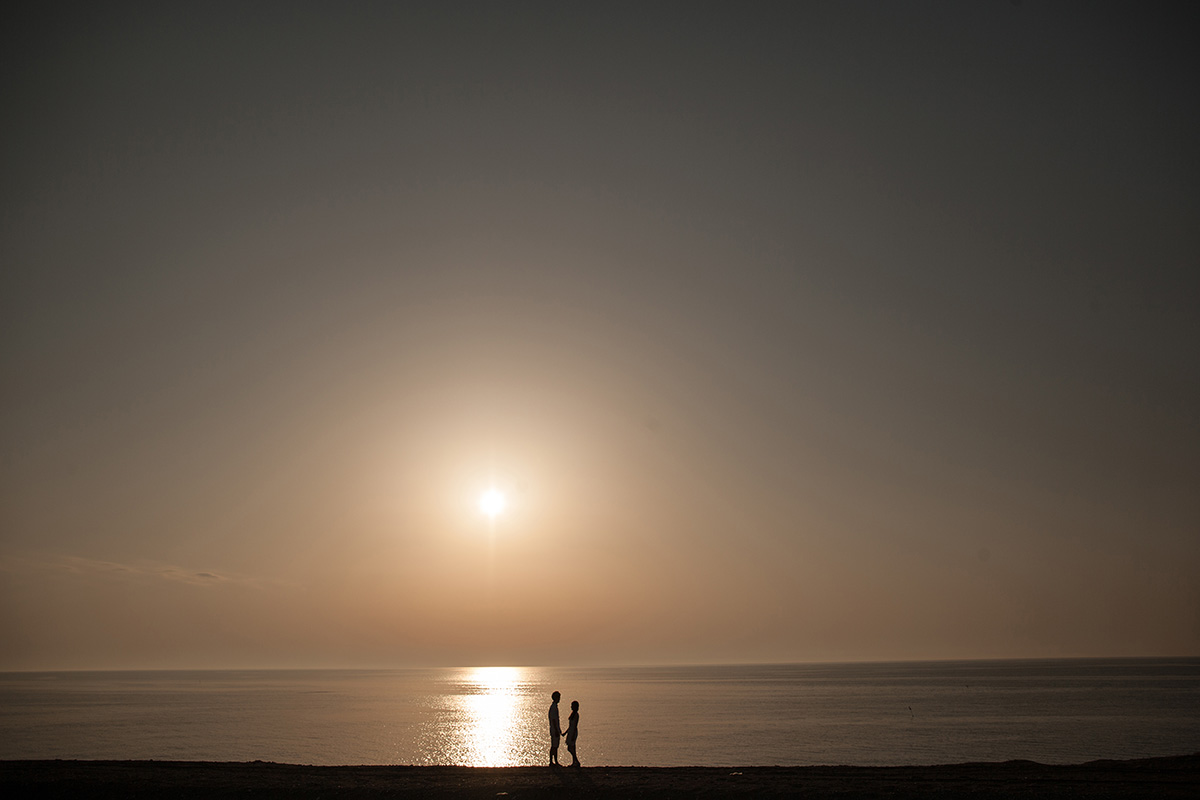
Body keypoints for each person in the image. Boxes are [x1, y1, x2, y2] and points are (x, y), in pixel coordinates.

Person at [548, 691, 563, 766]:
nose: (559, 699)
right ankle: (552, 761)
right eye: (559, 697)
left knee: (555, 745)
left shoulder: (554, 707)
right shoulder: (553, 707)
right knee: (554, 745)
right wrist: (557, 730)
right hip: (554, 729)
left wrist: (559, 729)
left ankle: (555, 761)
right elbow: (554, 720)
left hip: (555, 729)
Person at [564, 699, 581, 767]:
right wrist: (565, 732)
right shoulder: (572, 714)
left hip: (573, 732)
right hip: (571, 731)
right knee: (571, 747)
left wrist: (573, 735)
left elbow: (574, 726)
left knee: (571, 748)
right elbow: (570, 726)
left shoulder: (576, 715)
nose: (571, 707)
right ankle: (574, 762)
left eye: (572, 706)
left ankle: (576, 761)